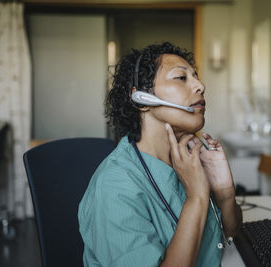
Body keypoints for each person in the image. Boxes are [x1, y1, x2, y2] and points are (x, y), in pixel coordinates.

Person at [78, 42, 242, 267]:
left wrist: (225, 194)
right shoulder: (114, 186)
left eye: (196, 77)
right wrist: (196, 197)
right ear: (142, 100)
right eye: (181, 78)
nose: (200, 86)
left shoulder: (189, 157)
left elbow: (231, 233)